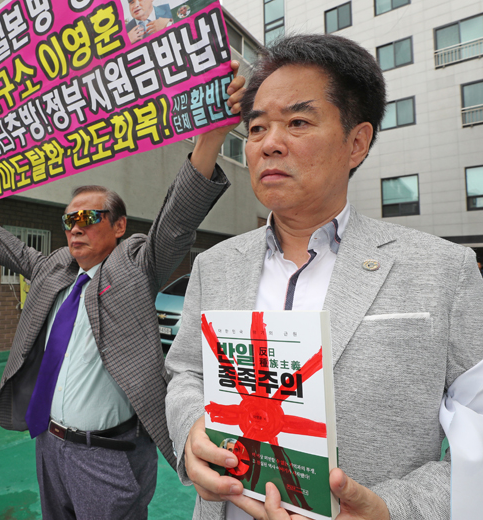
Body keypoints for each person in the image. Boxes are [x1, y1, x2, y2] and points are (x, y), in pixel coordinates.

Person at [164, 34, 483, 520]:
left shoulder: (443, 270)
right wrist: (192, 432)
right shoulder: (215, 264)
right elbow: (186, 372)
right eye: (255, 129)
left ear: (356, 142)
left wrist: (393, 509)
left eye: (297, 122)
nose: (269, 144)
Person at [0, 63, 245, 520]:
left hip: (107, 456)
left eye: (89, 218)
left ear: (119, 227)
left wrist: (211, 138)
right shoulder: (55, 270)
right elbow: (11, 250)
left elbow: (176, 221)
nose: (75, 228)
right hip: (47, 445)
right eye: (69, 220)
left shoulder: (135, 265)